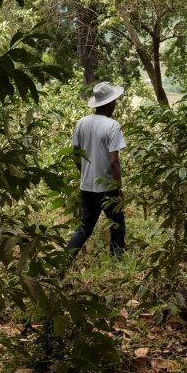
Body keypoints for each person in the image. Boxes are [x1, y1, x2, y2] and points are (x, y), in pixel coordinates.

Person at [67, 81, 127, 257]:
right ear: (109, 104)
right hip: (107, 187)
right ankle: (117, 264)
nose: (115, 104)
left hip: (87, 187)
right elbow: (114, 161)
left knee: (85, 228)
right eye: (114, 101)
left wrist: (84, 174)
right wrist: (118, 188)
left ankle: (63, 264)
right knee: (117, 226)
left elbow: (76, 155)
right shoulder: (112, 125)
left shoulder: (81, 123)